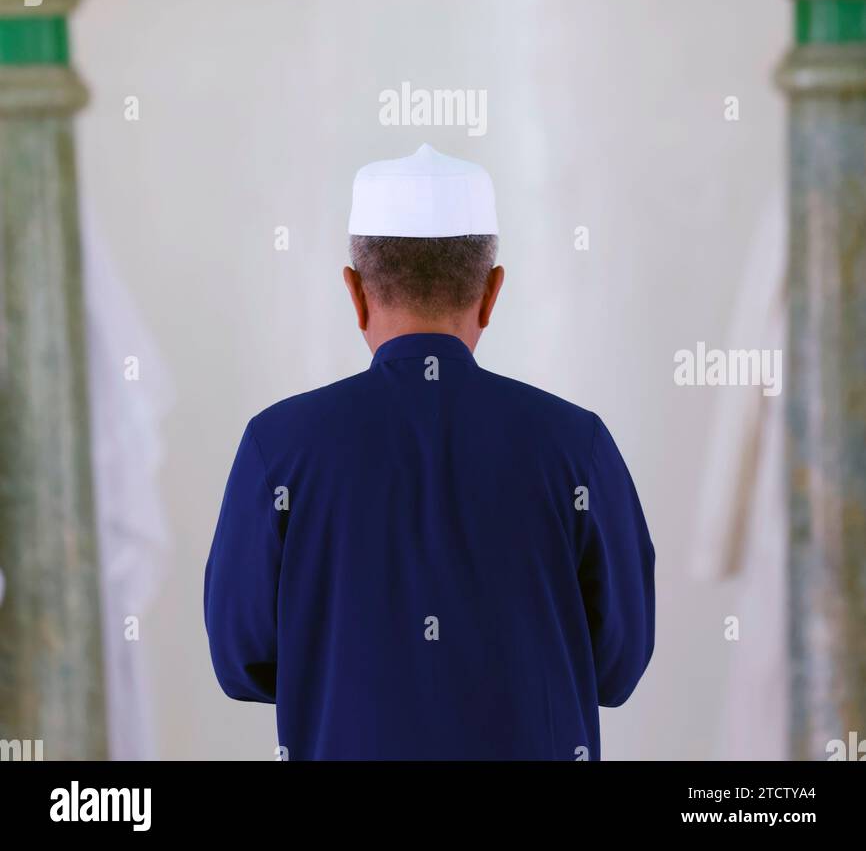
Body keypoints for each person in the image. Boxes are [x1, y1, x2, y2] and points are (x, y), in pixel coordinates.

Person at [204, 143, 654, 760]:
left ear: (356, 293)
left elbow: (242, 660)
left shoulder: (277, 446)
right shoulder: (578, 445)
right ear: (492, 294)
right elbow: (618, 663)